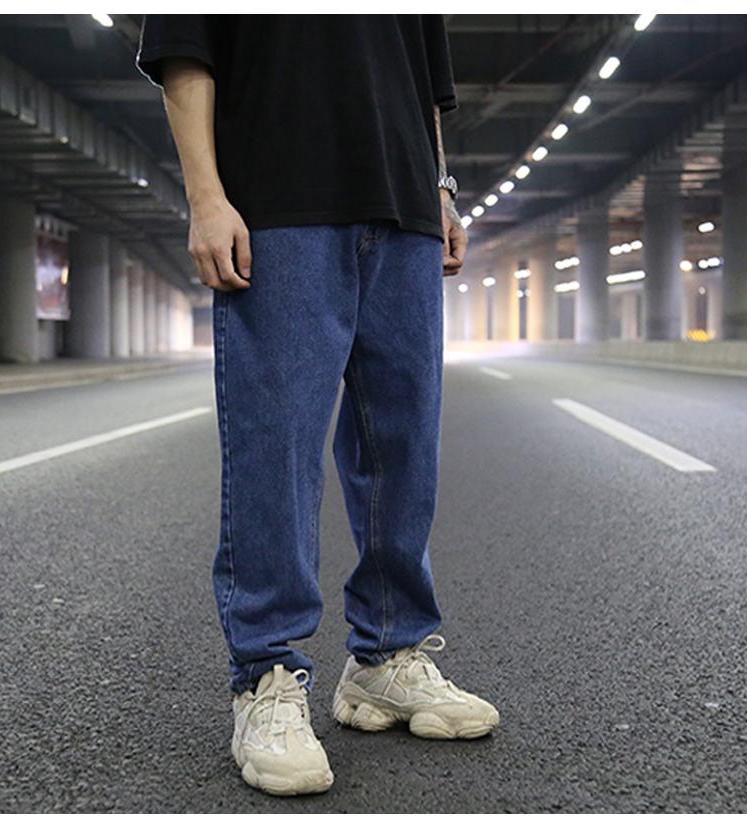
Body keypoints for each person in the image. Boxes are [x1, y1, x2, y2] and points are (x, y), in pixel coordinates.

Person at [137, 14, 499, 797]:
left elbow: (425, 85)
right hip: (280, 200)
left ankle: (387, 657)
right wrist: (206, 196)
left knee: (404, 445)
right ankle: (265, 675)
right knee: (278, 444)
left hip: (404, 207)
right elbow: (185, 49)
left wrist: (440, 189)